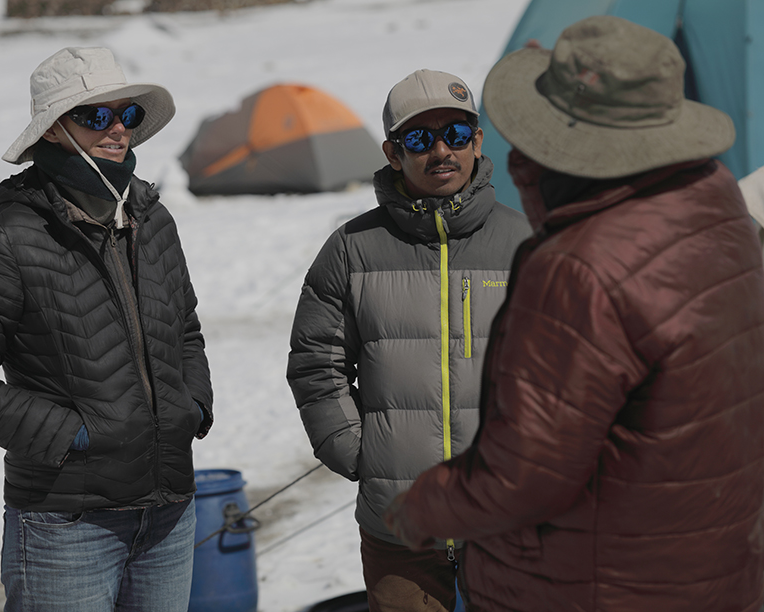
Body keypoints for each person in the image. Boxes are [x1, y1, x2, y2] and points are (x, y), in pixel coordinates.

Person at [384, 16, 764, 612]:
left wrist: (426, 506)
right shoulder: (721, 212)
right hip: (715, 569)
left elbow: (525, 474)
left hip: (595, 584)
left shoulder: (579, 269)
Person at [0, 47, 213, 612]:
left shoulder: (153, 218)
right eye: (94, 116)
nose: (117, 130)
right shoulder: (8, 235)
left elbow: (183, 328)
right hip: (67, 521)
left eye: (127, 115)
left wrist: (192, 406)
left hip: (168, 512)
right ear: (54, 130)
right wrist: (73, 436)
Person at [286, 69, 531, 612]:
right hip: (400, 524)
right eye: (420, 139)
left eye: (456, 135)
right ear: (394, 152)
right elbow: (315, 364)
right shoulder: (352, 249)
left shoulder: (525, 242)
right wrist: (361, 454)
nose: (441, 150)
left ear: (478, 141)